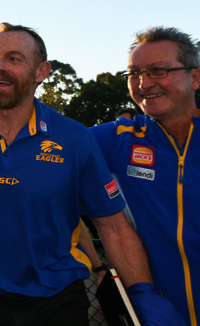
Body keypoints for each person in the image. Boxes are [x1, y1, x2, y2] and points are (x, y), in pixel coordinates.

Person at [0, 23, 183, 326]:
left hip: (59, 300)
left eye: (14, 59)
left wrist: (141, 293)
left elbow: (113, 226)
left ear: (42, 71)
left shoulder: (74, 138)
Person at [90, 26, 200, 326]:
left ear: (195, 77)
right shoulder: (118, 139)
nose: (143, 83)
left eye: (158, 71)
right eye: (134, 74)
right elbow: (42, 138)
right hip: (160, 314)